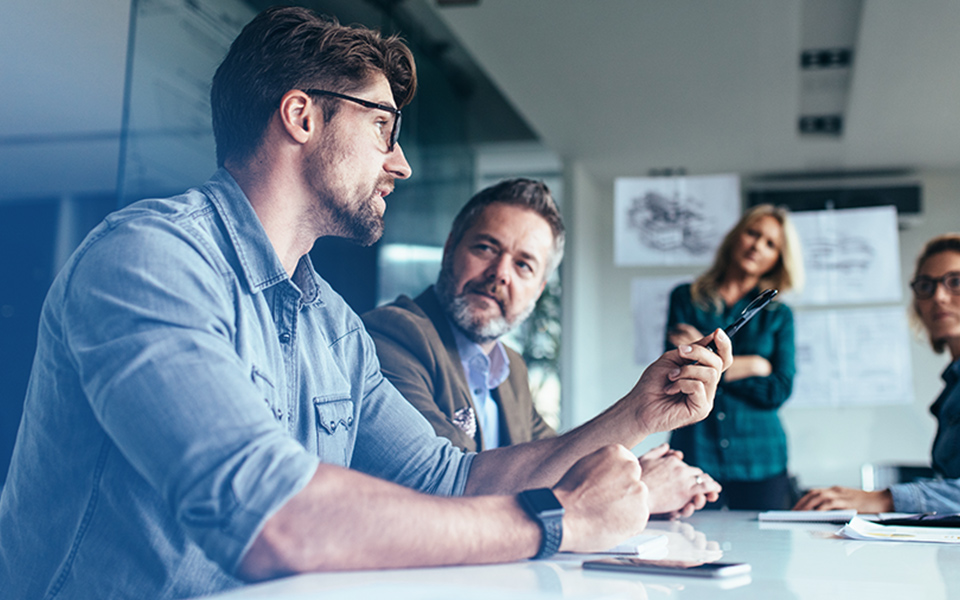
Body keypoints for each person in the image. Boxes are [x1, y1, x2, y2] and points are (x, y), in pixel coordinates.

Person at [0, 7, 733, 599]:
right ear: (301, 115)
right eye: (382, 126)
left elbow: (453, 481)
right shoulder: (149, 260)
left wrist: (641, 412)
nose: (402, 162)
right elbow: (271, 519)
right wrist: (556, 520)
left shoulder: (330, 326)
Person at [362, 178, 721, 517]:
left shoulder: (510, 368)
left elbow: (555, 464)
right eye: (486, 248)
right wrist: (640, 488)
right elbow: (455, 487)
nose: (501, 273)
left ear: (539, 288)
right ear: (450, 247)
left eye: (523, 265)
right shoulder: (392, 336)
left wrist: (634, 475)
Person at [795, 234, 960, 514]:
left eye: (955, 282)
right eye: (925, 285)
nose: (938, 296)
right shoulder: (951, 386)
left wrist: (883, 498)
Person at [665, 204, 804, 510]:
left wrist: (711, 365)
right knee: (690, 546)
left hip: (761, 458)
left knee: (766, 554)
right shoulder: (685, 299)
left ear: (778, 259)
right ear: (736, 237)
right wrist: (754, 365)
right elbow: (678, 373)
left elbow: (778, 388)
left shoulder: (779, 316)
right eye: (753, 234)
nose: (757, 245)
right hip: (696, 451)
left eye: (770, 244)